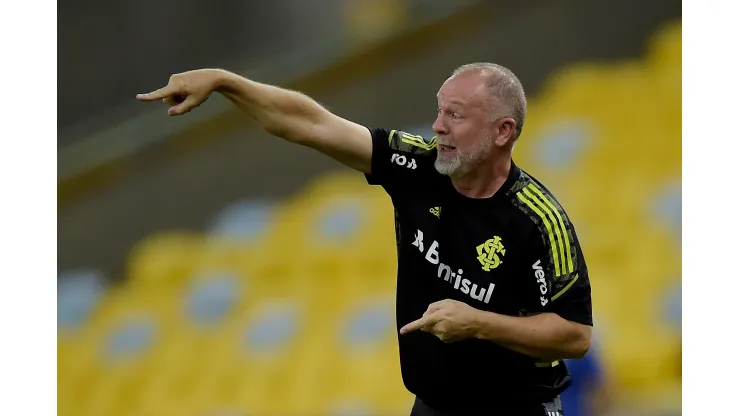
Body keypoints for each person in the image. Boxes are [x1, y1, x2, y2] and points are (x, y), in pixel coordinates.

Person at [138, 62, 593, 416]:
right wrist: (225, 82)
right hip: (433, 406)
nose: (437, 126)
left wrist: (478, 322)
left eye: (455, 115)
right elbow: (309, 123)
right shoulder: (419, 167)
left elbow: (575, 336)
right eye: (439, 110)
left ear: (502, 132)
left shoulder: (538, 220)